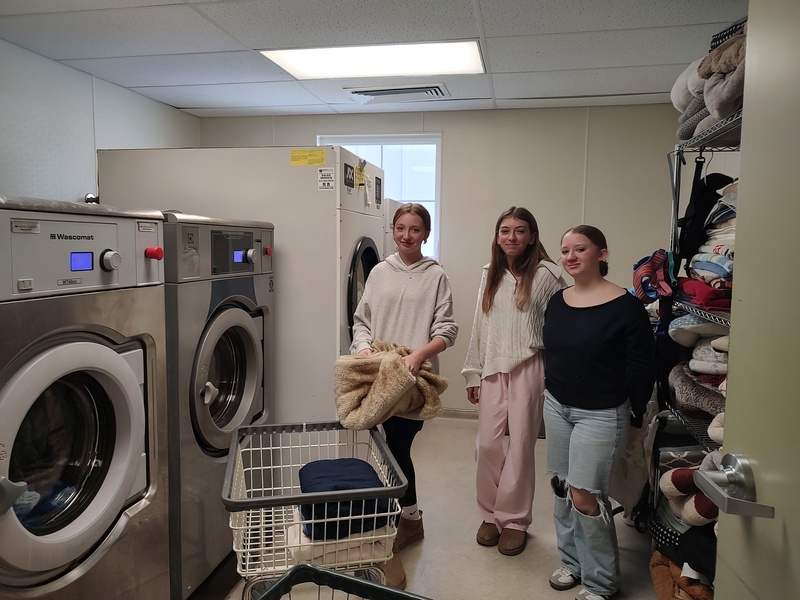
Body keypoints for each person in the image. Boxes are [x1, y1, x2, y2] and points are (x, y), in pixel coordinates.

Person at [542, 225, 655, 600]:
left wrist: (637, 416)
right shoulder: (558, 301)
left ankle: (601, 582)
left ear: (602, 254)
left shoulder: (626, 307)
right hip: (557, 405)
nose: (571, 257)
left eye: (581, 249)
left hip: (602, 413)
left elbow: (640, 367)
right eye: (565, 251)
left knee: (585, 496)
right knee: (561, 486)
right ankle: (572, 563)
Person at [350, 202, 458, 589]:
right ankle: (402, 517)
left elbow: (447, 329)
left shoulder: (436, 276)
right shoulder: (379, 271)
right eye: (400, 227)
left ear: (425, 234)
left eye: (415, 229)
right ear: (392, 230)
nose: (406, 235)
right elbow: (361, 320)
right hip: (378, 374)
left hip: (414, 379)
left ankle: (406, 522)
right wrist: (363, 348)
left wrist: (417, 356)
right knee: (383, 449)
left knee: (397, 447)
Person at [461, 206, 566, 556]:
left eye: (520, 231)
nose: (511, 237)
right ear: (497, 236)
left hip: (530, 366)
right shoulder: (490, 272)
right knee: (487, 446)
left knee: (521, 446)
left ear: (532, 236)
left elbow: (560, 328)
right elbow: (480, 324)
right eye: (505, 230)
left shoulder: (549, 273)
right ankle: (490, 515)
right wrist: (472, 371)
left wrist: (557, 375)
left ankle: (515, 519)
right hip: (492, 367)